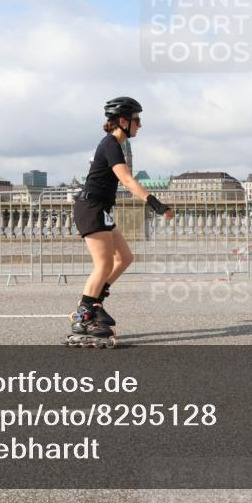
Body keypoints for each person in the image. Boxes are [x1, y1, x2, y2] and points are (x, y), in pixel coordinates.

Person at [67, 96, 174, 346]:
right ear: (123, 121)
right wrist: (156, 204)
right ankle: (83, 316)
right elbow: (127, 180)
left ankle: (94, 303)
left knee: (124, 258)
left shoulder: (116, 144)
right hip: (90, 207)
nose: (140, 125)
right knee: (103, 264)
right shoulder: (111, 144)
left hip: (100, 208)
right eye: (137, 120)